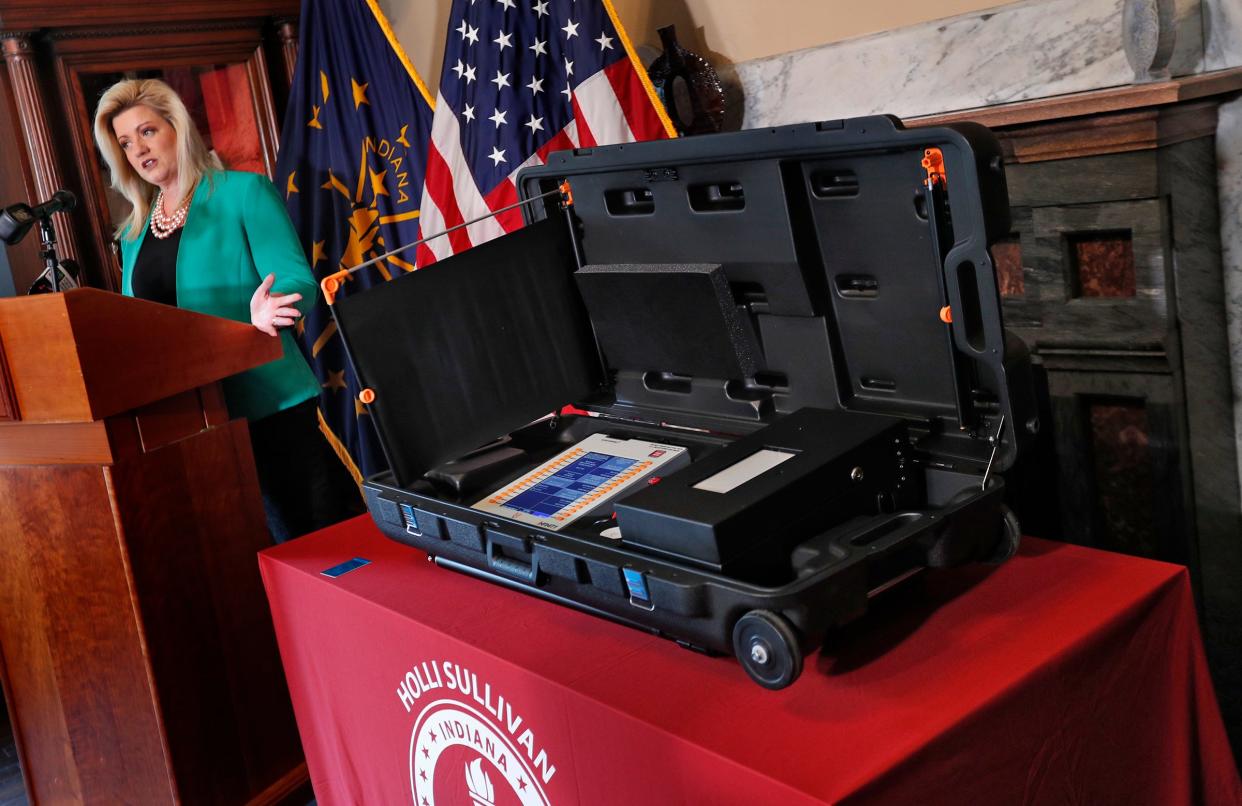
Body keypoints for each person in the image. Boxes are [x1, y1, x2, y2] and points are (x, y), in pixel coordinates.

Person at [93, 78, 362, 542]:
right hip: (189, 422)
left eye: (147, 131)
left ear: (176, 126)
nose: (137, 148)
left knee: (321, 544)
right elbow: (139, 325)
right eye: (124, 142)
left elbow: (298, 279)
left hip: (265, 403)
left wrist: (262, 317)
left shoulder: (243, 193)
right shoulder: (133, 234)